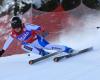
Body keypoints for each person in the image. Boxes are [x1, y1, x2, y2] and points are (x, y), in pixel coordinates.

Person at [0, 16, 75, 57]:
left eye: (18, 27)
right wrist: (2, 51)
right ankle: (42, 53)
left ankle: (66, 49)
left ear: (20, 25)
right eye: (15, 28)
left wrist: (43, 31)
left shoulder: (26, 26)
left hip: (37, 40)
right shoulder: (13, 34)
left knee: (48, 46)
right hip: (29, 44)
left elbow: (37, 27)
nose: (17, 29)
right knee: (23, 46)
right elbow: (8, 42)